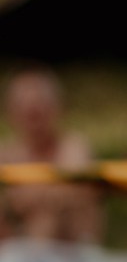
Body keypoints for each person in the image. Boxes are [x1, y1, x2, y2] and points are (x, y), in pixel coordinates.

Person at [0, 68, 102, 243]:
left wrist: (21, 197)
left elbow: (78, 190)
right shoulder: (7, 152)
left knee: (47, 218)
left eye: (38, 111)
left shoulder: (74, 146)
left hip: (73, 249)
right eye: (26, 111)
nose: (33, 119)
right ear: (11, 113)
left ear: (56, 108)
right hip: (19, 252)